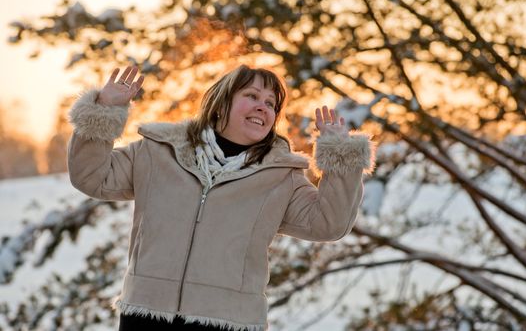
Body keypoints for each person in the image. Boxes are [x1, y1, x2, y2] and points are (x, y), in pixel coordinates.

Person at [67, 64, 375, 331]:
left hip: (229, 323)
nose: (263, 107)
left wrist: (340, 160)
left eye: (271, 103)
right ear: (220, 104)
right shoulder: (157, 151)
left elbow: (329, 224)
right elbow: (92, 176)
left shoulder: (282, 177)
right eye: (252, 96)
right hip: (146, 315)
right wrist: (103, 110)